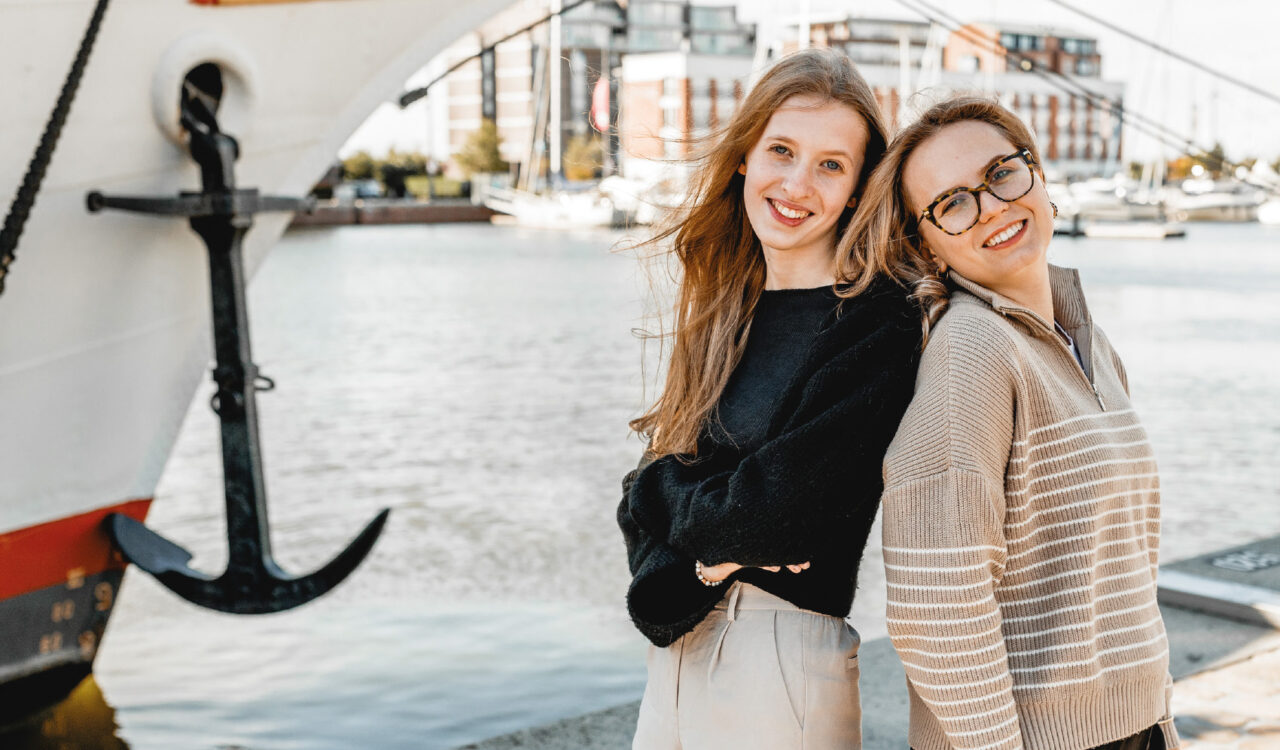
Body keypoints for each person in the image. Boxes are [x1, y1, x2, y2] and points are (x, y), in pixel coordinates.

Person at [845, 95, 1179, 750]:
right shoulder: (972, 351)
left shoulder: (1091, 344)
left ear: (1038, 175)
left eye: (1001, 173)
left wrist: (1160, 720)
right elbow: (936, 604)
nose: (993, 207)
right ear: (926, 246)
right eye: (953, 203)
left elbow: (1126, 572)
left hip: (1135, 729)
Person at [616, 48, 923, 749]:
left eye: (831, 164)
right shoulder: (722, 311)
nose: (796, 184)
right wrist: (709, 561)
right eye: (781, 150)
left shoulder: (878, 324)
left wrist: (671, 501)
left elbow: (776, 515)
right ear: (744, 158)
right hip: (677, 660)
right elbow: (634, 510)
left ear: (858, 190)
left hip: (780, 668)